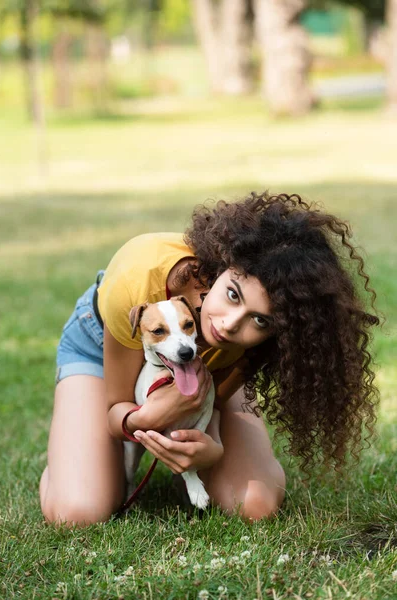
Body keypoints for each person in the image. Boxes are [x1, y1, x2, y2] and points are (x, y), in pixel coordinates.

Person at [39, 192, 379, 526]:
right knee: (77, 512)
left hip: (204, 374)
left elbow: (215, 398)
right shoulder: (137, 277)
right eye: (233, 294)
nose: (229, 325)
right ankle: (75, 448)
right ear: (224, 262)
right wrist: (147, 417)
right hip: (102, 347)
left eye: (260, 320)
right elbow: (117, 410)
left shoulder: (264, 337)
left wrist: (212, 448)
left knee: (255, 504)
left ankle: (180, 464)